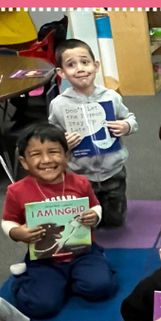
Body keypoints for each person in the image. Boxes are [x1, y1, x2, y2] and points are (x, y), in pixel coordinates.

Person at [2, 123, 118, 320]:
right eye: (36, 154)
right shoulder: (17, 191)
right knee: (41, 306)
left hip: (83, 251)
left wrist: (95, 215)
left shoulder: (80, 183)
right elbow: (8, 221)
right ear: (24, 162)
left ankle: (76, 278)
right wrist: (17, 232)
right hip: (44, 258)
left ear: (67, 156)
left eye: (54, 152)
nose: (46, 160)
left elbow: (95, 205)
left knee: (101, 288)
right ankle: (22, 279)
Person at [49, 39, 137, 228]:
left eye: (85, 62)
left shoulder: (111, 97)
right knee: (88, 223)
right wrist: (61, 142)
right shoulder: (59, 104)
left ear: (96, 66)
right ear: (61, 73)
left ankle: (112, 211)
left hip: (113, 171)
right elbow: (51, 134)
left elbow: (131, 118)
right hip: (82, 174)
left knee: (115, 222)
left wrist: (126, 126)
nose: (80, 69)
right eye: (71, 65)